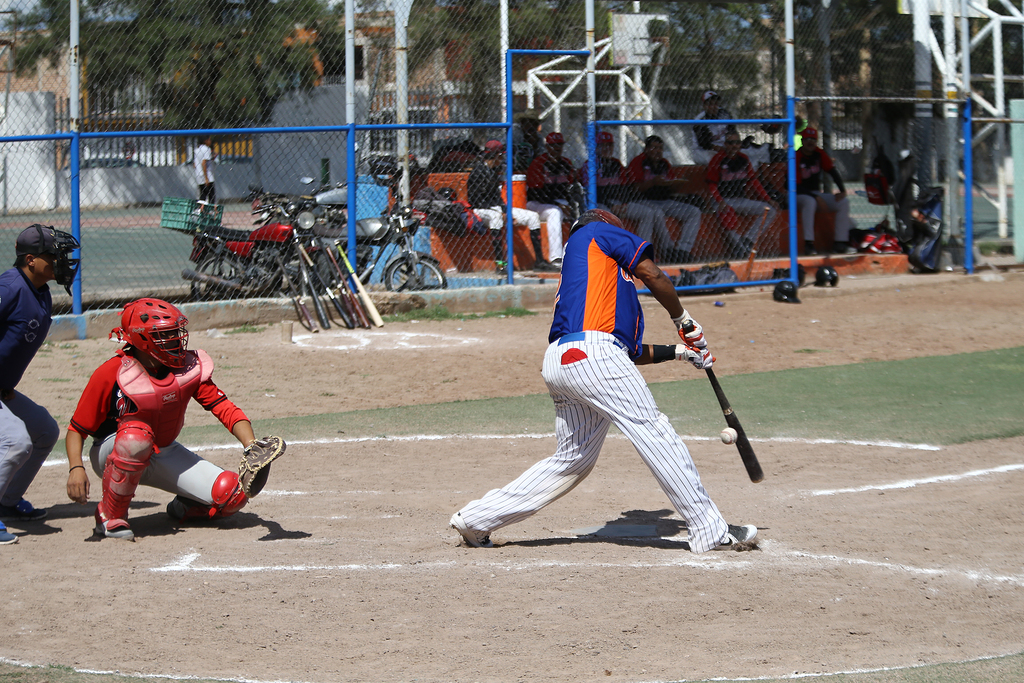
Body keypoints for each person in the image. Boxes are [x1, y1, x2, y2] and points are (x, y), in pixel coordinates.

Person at [449, 208, 758, 553]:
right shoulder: (597, 231)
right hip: (593, 357)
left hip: (564, 361)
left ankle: (477, 519)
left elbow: (627, 351)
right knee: (654, 431)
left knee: (573, 460)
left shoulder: (594, 276)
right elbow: (653, 274)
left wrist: (681, 352)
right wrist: (683, 320)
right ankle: (708, 528)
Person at [65, 298, 285, 541]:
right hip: (113, 451)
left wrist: (251, 445)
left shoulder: (186, 367)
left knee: (231, 494)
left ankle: (186, 506)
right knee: (137, 437)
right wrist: (76, 468)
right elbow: (76, 430)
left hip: (162, 450)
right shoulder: (112, 372)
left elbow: (223, 407)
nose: (175, 339)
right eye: (165, 334)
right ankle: (110, 515)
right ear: (142, 338)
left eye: (175, 332)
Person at [0, 225, 80, 545]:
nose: (61, 262)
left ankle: (6, 501)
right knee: (16, 442)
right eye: (53, 255)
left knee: (44, 431)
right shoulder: (9, 288)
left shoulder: (40, 291)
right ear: (31, 260)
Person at [593, 131, 677, 263]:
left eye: (609, 145)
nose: (606, 149)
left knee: (648, 213)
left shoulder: (616, 164)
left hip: (618, 203)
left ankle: (642, 254)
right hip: (599, 203)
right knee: (607, 216)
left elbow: (625, 188)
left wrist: (623, 203)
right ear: (596, 147)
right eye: (603, 145)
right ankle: (609, 256)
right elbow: (591, 192)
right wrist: (611, 205)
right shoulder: (590, 165)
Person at [623, 135, 703, 263]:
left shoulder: (664, 163)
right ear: (646, 149)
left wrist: (676, 183)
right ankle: (668, 250)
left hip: (665, 201)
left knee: (694, 212)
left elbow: (670, 184)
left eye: (660, 148)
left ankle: (683, 250)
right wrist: (653, 182)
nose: (657, 151)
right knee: (657, 213)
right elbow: (634, 188)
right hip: (644, 201)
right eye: (654, 148)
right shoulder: (638, 162)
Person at [467, 140, 543, 275]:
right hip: (480, 209)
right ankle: (500, 264)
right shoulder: (478, 172)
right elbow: (476, 201)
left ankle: (540, 261)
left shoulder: (493, 171)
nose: (502, 159)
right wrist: (500, 211)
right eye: (500, 155)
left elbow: (498, 199)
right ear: (495, 156)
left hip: (495, 208)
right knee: (496, 218)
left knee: (533, 216)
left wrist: (506, 211)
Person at [706, 131, 779, 259]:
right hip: (722, 200)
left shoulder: (744, 158)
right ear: (725, 144)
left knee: (770, 211)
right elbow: (711, 184)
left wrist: (768, 199)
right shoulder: (717, 159)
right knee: (726, 215)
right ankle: (740, 248)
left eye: (737, 142)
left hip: (740, 199)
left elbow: (754, 181)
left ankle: (747, 240)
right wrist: (720, 201)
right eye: (730, 143)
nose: (734, 146)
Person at [525, 132, 584, 270]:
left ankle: (579, 254)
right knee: (555, 212)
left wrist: (570, 205)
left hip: (557, 202)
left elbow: (572, 189)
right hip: (536, 203)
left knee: (579, 212)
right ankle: (556, 258)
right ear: (547, 147)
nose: (557, 148)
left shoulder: (566, 163)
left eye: (559, 145)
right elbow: (536, 193)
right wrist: (559, 205)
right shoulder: (538, 163)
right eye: (553, 145)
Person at [795, 128, 857, 255]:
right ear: (802, 140)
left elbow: (832, 171)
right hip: (796, 194)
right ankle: (809, 244)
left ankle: (840, 242)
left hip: (815, 194)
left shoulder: (819, 154)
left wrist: (842, 190)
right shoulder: (796, 156)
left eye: (813, 140)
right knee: (810, 201)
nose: (810, 142)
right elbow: (795, 186)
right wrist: (816, 197)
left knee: (843, 202)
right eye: (807, 139)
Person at [194, 136, 216, 204]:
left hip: (199, 175)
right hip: (207, 176)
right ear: (205, 140)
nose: (210, 141)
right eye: (209, 139)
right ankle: (211, 209)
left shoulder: (197, 150)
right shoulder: (207, 149)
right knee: (211, 195)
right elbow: (204, 163)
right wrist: (206, 178)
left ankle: (201, 208)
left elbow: (195, 164)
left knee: (202, 195)